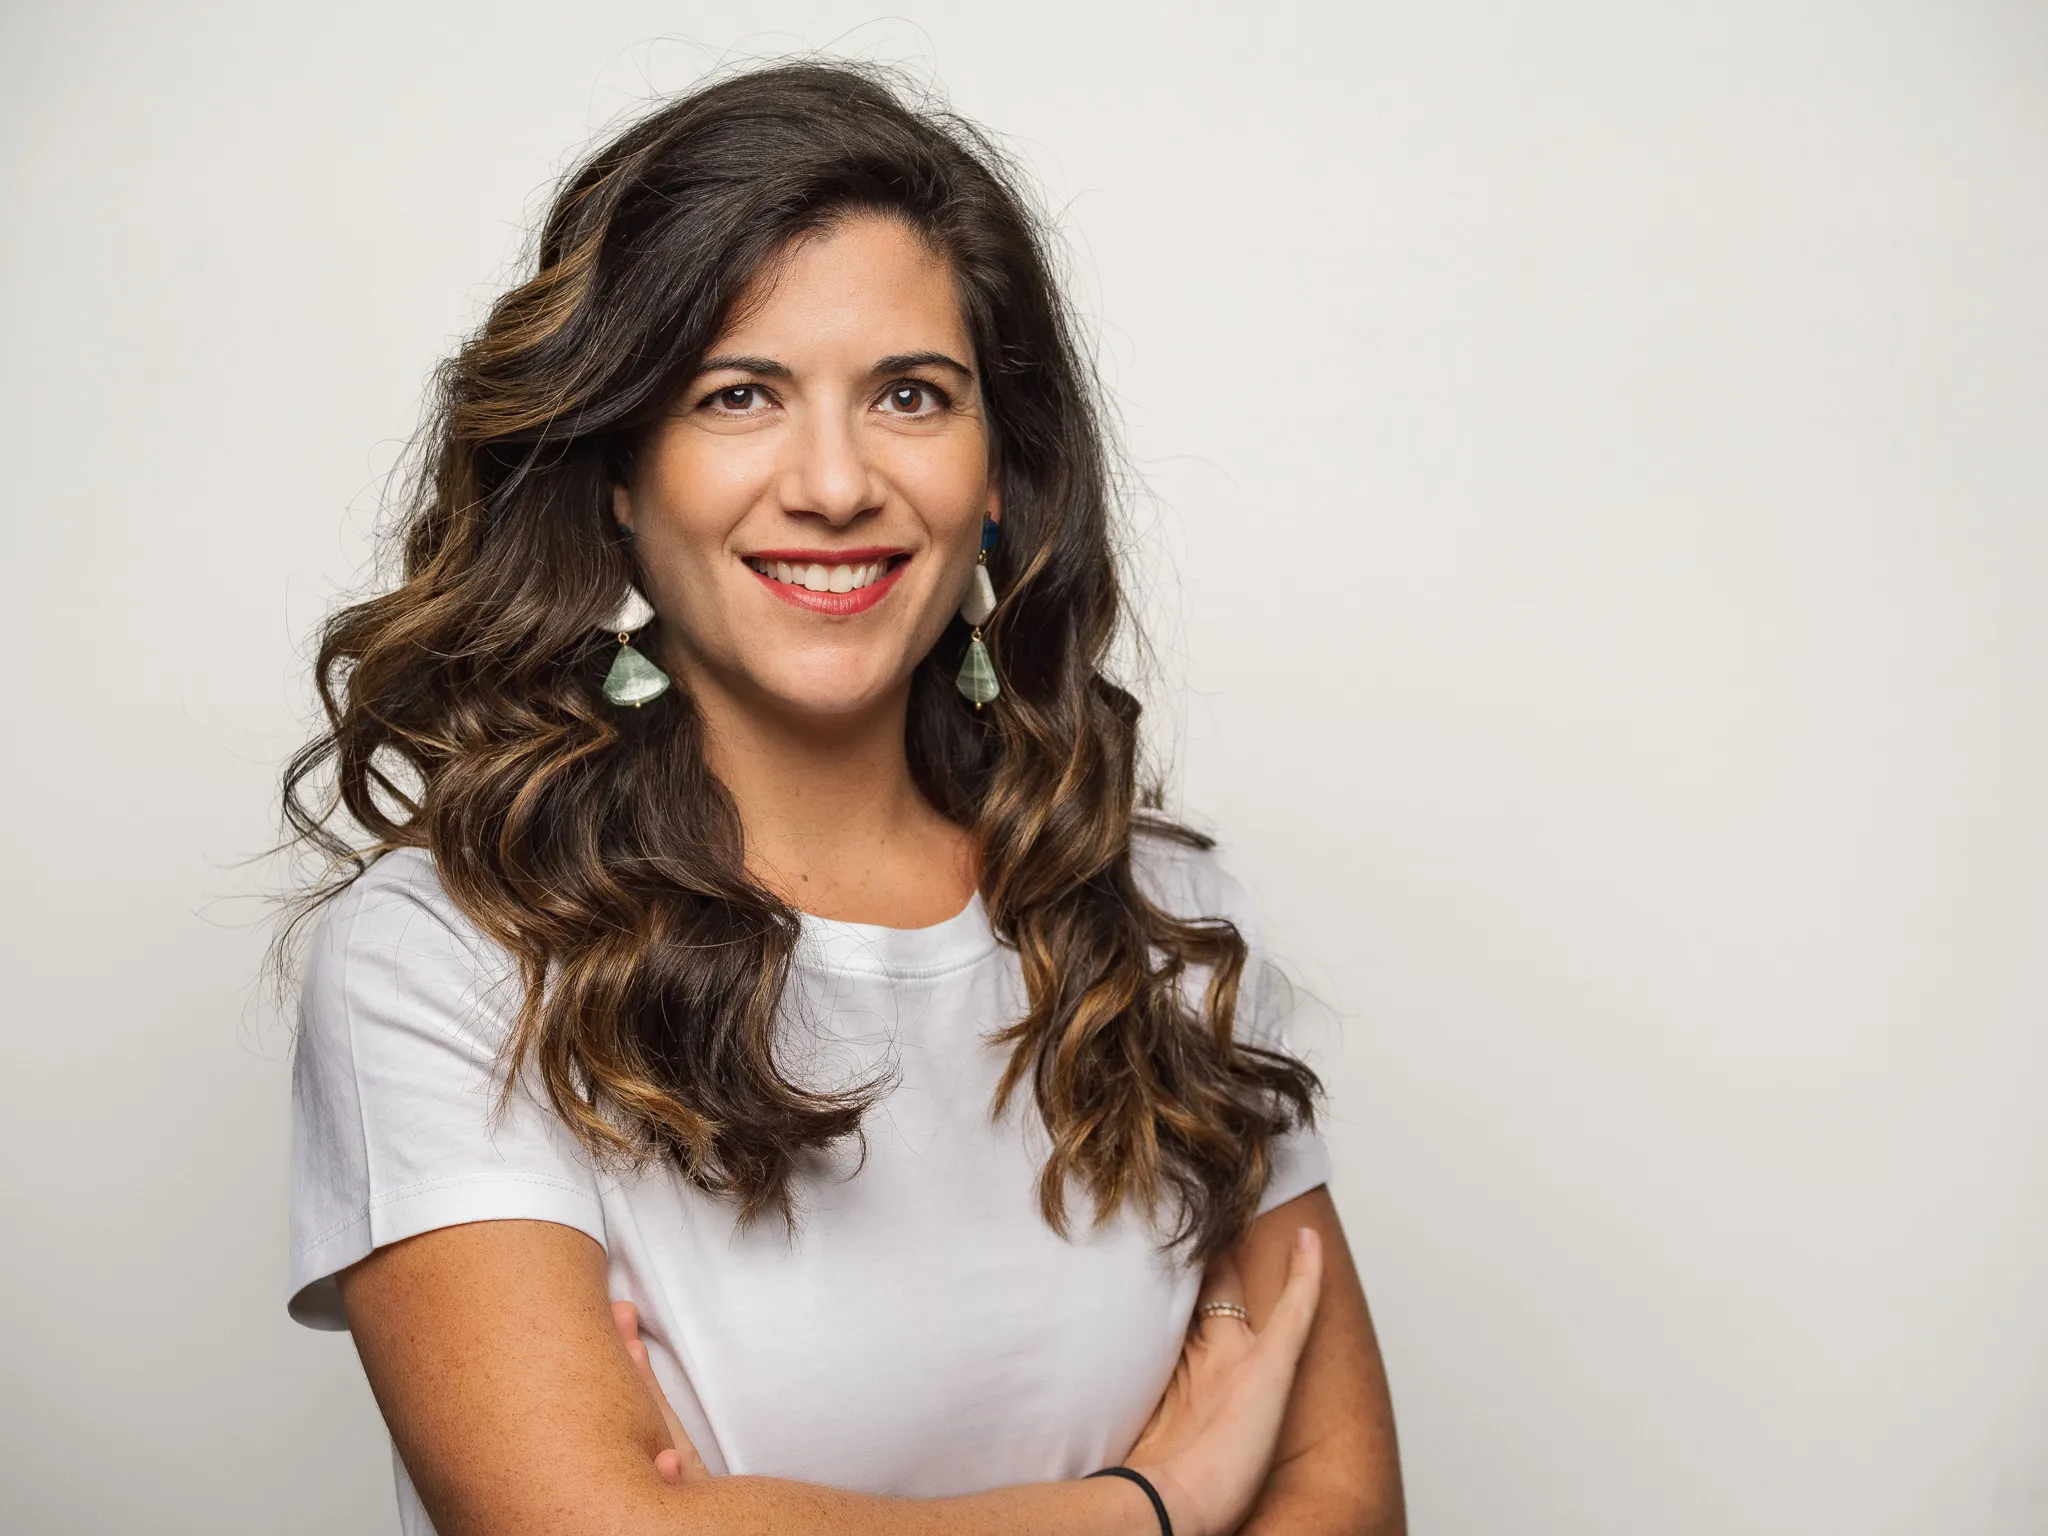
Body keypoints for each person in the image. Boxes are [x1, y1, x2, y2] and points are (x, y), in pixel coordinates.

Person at [281, 60, 1405, 1536]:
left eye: (911, 396)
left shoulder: (1159, 918)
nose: (834, 483)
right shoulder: (449, 956)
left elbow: (1345, 1501)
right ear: (620, 472)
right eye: (739, 395)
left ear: (996, 473)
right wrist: (1159, 1502)